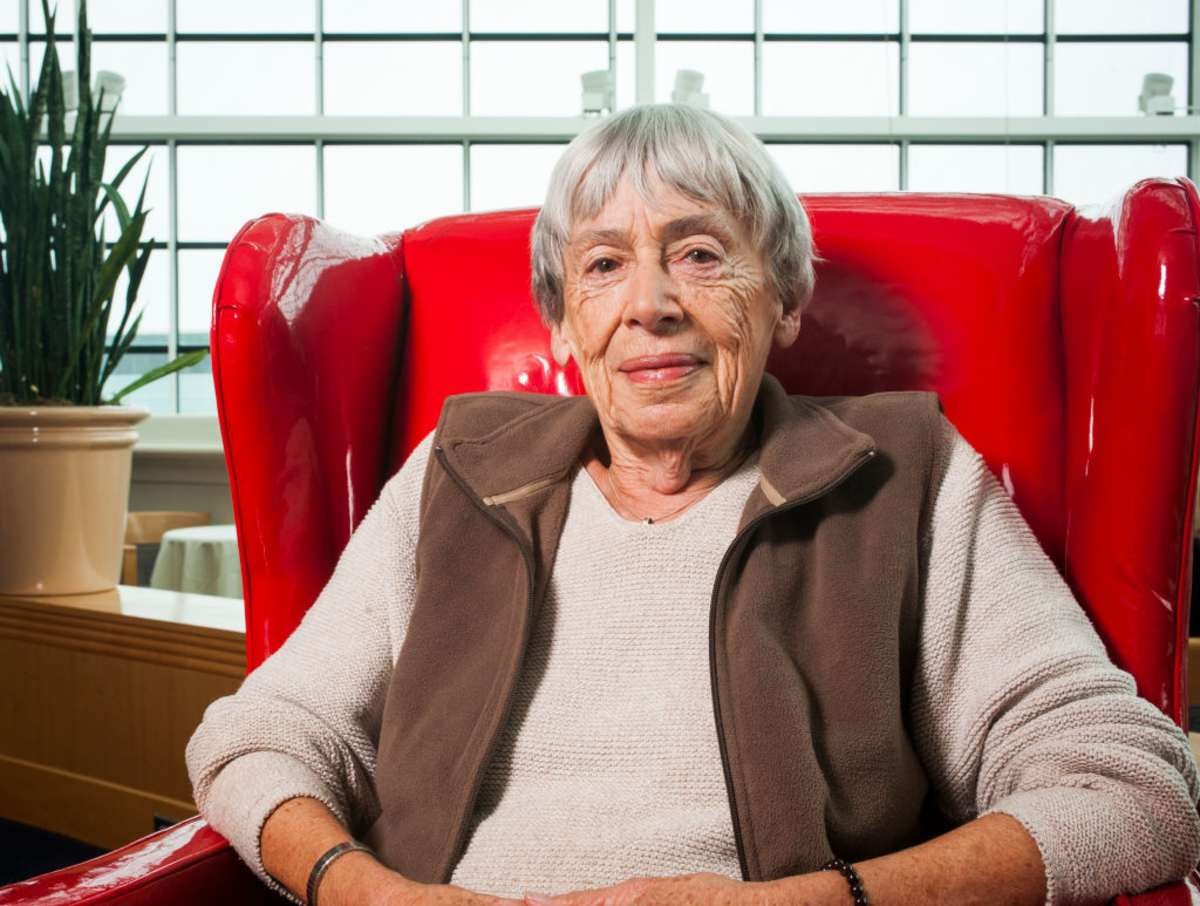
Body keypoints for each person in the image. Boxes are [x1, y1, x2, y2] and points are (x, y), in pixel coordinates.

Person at [186, 104, 1200, 906]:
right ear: (564, 319)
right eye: (604, 264)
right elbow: (259, 739)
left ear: (786, 298)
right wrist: (371, 896)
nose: (651, 303)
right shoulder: (457, 474)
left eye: (701, 254)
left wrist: (804, 905)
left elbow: (1130, 790)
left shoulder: (907, 476)